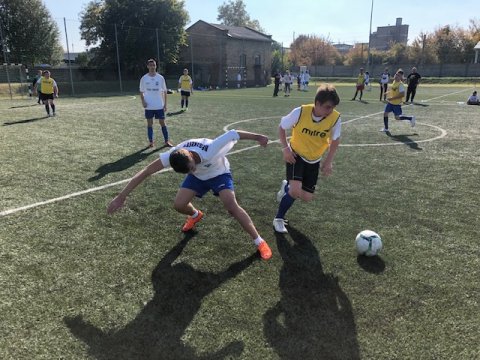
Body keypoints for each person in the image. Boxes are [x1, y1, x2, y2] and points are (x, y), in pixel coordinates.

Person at [107, 129, 273, 260]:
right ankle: (195, 215)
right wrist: (122, 196)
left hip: (219, 173)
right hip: (198, 177)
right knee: (179, 205)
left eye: (191, 167)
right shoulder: (174, 154)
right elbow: (146, 171)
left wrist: (258, 137)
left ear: (191, 157)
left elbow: (233, 133)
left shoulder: (210, 149)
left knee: (231, 206)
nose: (191, 169)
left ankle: (259, 241)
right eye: (187, 170)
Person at [273, 84, 341, 233]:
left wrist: (328, 161)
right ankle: (278, 219)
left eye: (333, 107)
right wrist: (286, 149)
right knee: (295, 192)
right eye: (328, 107)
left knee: (306, 197)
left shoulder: (335, 118)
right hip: (296, 155)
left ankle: (286, 187)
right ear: (317, 103)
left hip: (314, 159)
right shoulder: (300, 112)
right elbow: (282, 127)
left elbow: (335, 140)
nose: (331, 111)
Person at [139, 59, 172, 148]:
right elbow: (141, 92)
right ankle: (151, 142)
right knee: (150, 124)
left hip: (159, 105)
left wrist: (165, 104)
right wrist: (143, 102)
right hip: (149, 106)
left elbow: (165, 92)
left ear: (156, 66)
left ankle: (166, 141)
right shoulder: (144, 78)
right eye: (150, 65)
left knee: (162, 123)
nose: (152, 67)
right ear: (147, 66)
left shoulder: (160, 78)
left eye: (154, 65)